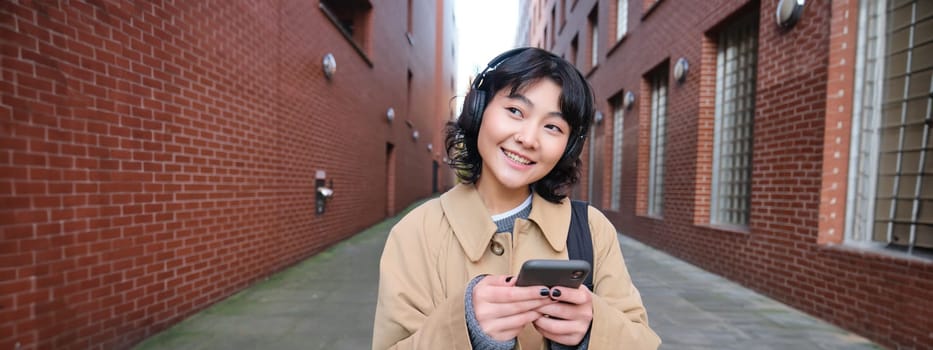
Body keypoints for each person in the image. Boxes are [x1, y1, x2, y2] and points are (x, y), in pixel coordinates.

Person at [372, 47, 660, 349]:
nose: (528, 139)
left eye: (552, 127)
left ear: (569, 147)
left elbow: (642, 341)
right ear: (478, 110)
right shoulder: (415, 232)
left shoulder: (591, 229)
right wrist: (467, 330)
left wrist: (592, 330)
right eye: (515, 111)